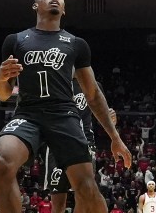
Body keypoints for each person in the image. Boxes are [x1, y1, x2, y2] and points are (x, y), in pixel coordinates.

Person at [0, 0, 132, 213]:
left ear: (64, 9)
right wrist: (1, 78)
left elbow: (93, 94)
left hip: (64, 116)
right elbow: (3, 94)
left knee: (87, 189)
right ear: (35, 5)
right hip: (28, 114)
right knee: (1, 162)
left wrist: (115, 137)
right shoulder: (15, 40)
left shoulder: (76, 44)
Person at [47, 81, 118, 213]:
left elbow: (103, 114)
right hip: (57, 142)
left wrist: (111, 119)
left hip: (84, 142)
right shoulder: (55, 79)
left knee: (85, 193)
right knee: (57, 200)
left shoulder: (92, 84)